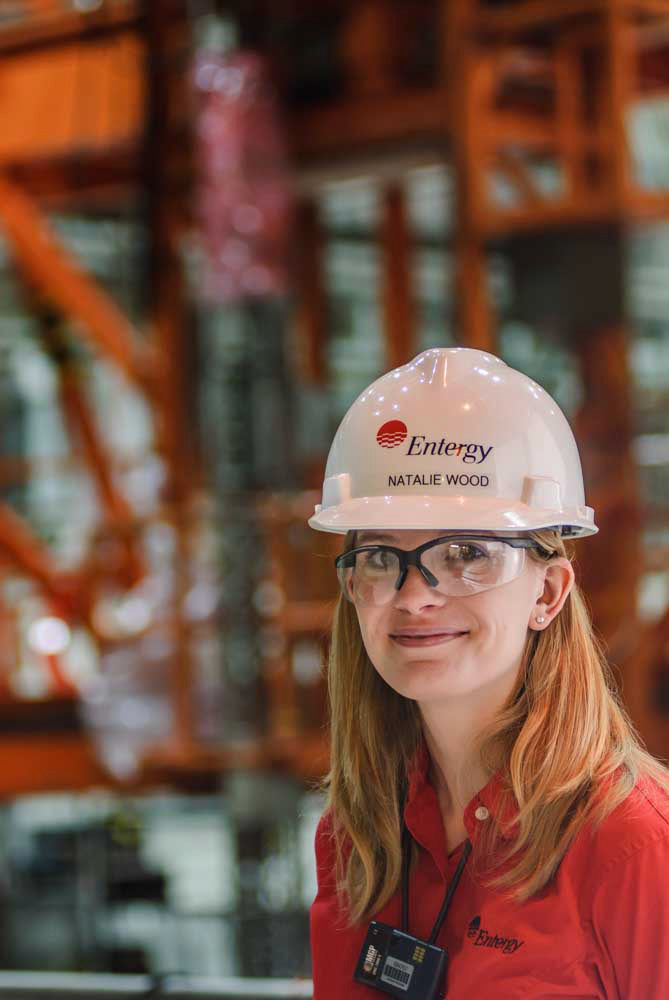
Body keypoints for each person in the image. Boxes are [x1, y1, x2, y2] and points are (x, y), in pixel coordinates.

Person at [308, 347, 669, 1000]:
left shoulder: (631, 842)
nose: (414, 596)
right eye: (380, 556)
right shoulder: (356, 836)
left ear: (547, 593)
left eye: (465, 553)